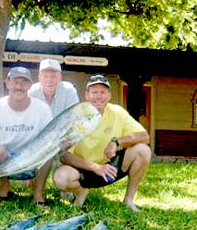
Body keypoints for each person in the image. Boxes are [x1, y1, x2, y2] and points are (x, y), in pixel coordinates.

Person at [52, 74, 151, 212]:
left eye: (103, 92)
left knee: (143, 150)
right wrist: (95, 167)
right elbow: (64, 156)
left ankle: (128, 200)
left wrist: (116, 142)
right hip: (83, 169)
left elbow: (145, 136)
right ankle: (81, 191)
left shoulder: (117, 112)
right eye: (94, 92)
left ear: (109, 95)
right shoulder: (76, 116)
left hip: (109, 168)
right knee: (60, 178)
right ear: (86, 95)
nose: (99, 96)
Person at [0, 66, 53, 205]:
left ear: (30, 85)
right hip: (5, 158)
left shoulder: (42, 109)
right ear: (7, 83)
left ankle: (38, 195)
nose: (19, 87)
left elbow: (50, 137)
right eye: (15, 82)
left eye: (24, 82)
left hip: (31, 157)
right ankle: (4, 188)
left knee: (48, 151)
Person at [29, 58, 80, 199]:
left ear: (60, 77)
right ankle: (36, 186)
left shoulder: (69, 90)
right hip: (40, 138)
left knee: (68, 151)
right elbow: (31, 122)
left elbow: (73, 119)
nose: (49, 80)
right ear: (39, 77)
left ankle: (66, 183)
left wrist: (67, 141)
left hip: (63, 138)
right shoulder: (32, 92)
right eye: (45, 76)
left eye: (53, 76)